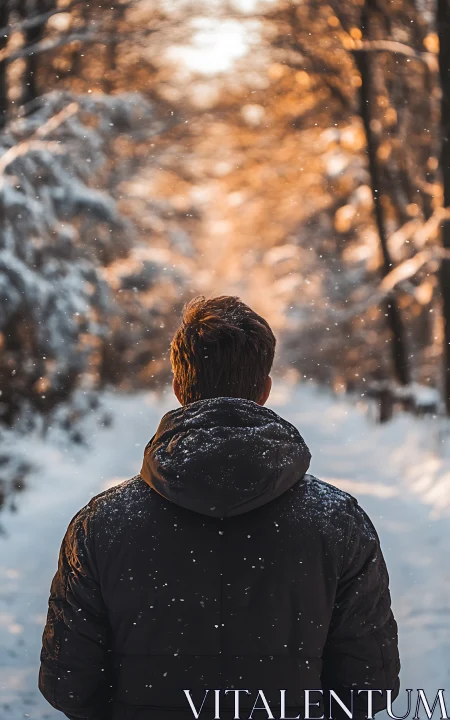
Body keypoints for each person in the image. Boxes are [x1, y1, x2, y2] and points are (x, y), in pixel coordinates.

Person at [39, 295, 400, 720]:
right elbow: (369, 685)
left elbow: (69, 684)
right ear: (264, 390)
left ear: (178, 388)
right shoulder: (338, 522)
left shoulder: (101, 525)